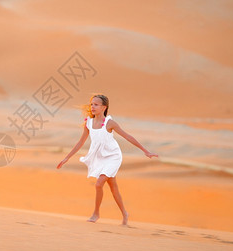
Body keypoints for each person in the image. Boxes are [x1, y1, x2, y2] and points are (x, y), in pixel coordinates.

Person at [57, 94, 158, 225]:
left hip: (113, 157)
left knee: (99, 184)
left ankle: (96, 214)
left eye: (96, 104)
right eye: (92, 104)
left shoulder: (110, 123)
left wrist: (146, 151)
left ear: (104, 107)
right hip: (100, 157)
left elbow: (128, 137)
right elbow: (80, 142)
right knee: (113, 187)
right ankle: (125, 213)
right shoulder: (88, 122)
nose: (92, 107)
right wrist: (67, 158)